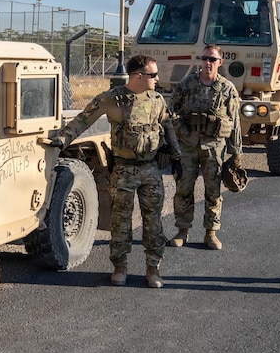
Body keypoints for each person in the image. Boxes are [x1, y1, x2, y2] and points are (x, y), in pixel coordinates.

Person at [47, 55, 182, 288]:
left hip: (151, 170)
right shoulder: (111, 99)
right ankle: (120, 267)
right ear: (138, 76)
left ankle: (153, 268)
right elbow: (83, 120)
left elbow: (168, 127)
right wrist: (62, 139)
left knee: (153, 222)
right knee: (120, 221)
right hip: (123, 171)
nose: (157, 78)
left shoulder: (157, 100)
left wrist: (177, 156)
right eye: (153, 75)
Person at [170, 44, 242, 250]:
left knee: (213, 190)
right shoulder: (187, 84)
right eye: (204, 58)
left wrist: (236, 153)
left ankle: (211, 232)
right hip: (188, 145)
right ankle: (182, 230)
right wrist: (180, 133)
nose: (207, 63)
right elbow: (171, 111)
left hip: (214, 147)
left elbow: (235, 122)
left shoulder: (227, 88)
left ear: (220, 62)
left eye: (212, 59)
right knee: (183, 188)